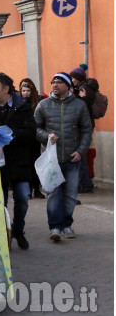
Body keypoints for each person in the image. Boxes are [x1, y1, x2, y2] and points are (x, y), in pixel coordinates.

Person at [34, 72, 92, 242]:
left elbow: (87, 130)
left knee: (70, 194)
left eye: (59, 82)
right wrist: (47, 136)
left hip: (72, 157)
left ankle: (67, 225)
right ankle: (55, 227)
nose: (55, 85)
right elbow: (35, 128)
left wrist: (80, 151)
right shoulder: (43, 105)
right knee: (53, 194)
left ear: (68, 86)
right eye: (53, 82)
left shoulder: (79, 106)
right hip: (51, 159)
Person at [0, 73, 36, 250]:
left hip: (19, 160)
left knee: (22, 197)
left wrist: (11, 135)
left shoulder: (22, 107)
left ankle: (18, 229)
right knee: (0, 201)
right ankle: (4, 234)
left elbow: (31, 132)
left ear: (6, 89)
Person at [20, 78, 45, 199]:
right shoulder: (18, 105)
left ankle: (37, 188)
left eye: (27, 90)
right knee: (26, 165)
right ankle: (28, 189)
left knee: (36, 164)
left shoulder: (37, 104)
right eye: (23, 91)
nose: (25, 93)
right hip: (24, 140)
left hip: (35, 140)